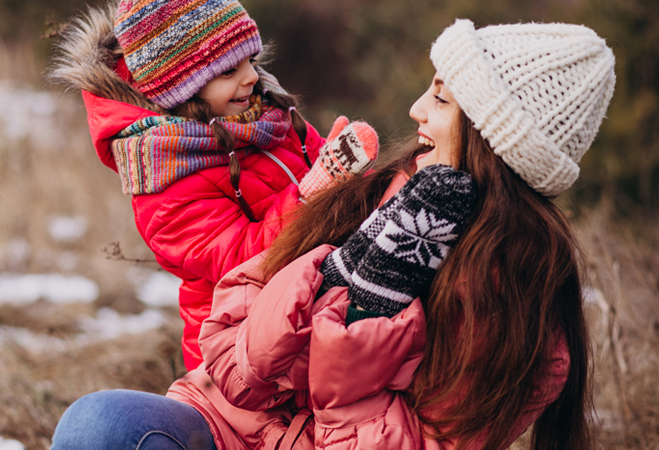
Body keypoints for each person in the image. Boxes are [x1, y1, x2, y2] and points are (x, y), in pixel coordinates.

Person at [52, 18, 615, 450]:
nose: (417, 108)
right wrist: (330, 275)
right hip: (234, 426)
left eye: (442, 99)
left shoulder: (520, 307)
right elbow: (228, 347)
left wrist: (364, 321)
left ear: (496, 138)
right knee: (97, 425)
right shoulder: (385, 194)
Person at [47, 0, 379, 371]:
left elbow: (323, 171)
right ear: (181, 89)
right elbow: (241, 262)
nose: (251, 76)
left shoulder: (265, 116)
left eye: (251, 60)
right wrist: (315, 191)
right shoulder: (166, 181)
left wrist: (355, 182)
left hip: (310, 306)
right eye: (228, 71)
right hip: (241, 353)